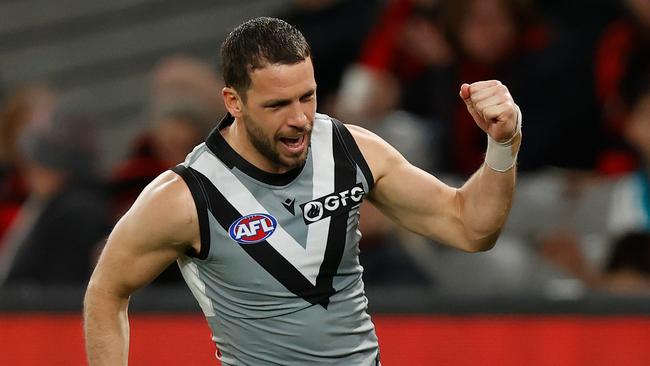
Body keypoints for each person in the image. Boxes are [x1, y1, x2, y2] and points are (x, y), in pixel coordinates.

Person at [84, 17, 521, 365]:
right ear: (233, 102)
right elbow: (105, 292)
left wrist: (502, 145)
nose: (299, 119)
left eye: (306, 97)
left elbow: (471, 227)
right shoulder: (184, 196)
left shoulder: (351, 151)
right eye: (277, 105)